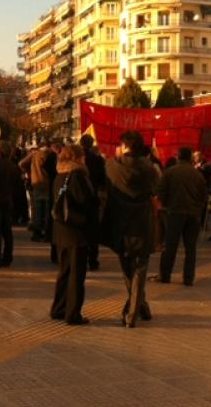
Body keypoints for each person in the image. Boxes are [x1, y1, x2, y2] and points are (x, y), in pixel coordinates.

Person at [102, 130, 159, 328]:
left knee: (127, 268)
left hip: (121, 225)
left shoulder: (111, 165)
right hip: (143, 223)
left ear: (125, 146)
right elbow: (156, 189)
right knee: (141, 268)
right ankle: (138, 307)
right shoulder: (150, 168)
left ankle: (132, 311)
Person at [50, 145, 99, 325]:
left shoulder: (59, 175)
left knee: (64, 271)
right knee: (77, 275)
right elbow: (87, 202)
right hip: (77, 231)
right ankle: (73, 313)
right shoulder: (78, 176)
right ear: (77, 158)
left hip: (61, 230)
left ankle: (58, 307)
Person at [152, 147, 208, 286]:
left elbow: (161, 192)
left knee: (170, 246)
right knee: (191, 248)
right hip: (193, 214)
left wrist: (165, 205)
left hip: (174, 213)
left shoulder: (170, 172)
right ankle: (188, 278)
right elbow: (204, 196)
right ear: (190, 158)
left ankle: (165, 275)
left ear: (178, 157)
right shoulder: (198, 174)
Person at [80, 134, 106, 270]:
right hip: (92, 197)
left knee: (80, 230)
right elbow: (103, 179)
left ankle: (80, 258)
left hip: (78, 198)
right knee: (93, 230)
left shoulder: (75, 159)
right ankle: (93, 259)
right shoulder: (97, 160)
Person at [20, 143, 51, 242]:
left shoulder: (34, 154)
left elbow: (21, 163)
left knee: (37, 208)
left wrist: (28, 173)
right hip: (47, 184)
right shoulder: (49, 155)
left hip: (36, 183)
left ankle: (36, 232)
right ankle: (46, 232)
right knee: (47, 209)